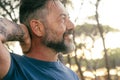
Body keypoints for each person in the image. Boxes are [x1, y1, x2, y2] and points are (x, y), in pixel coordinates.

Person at [0, 0, 80, 80]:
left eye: (68, 18)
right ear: (37, 28)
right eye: (62, 19)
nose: (72, 26)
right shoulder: (13, 68)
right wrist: (23, 32)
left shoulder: (73, 76)